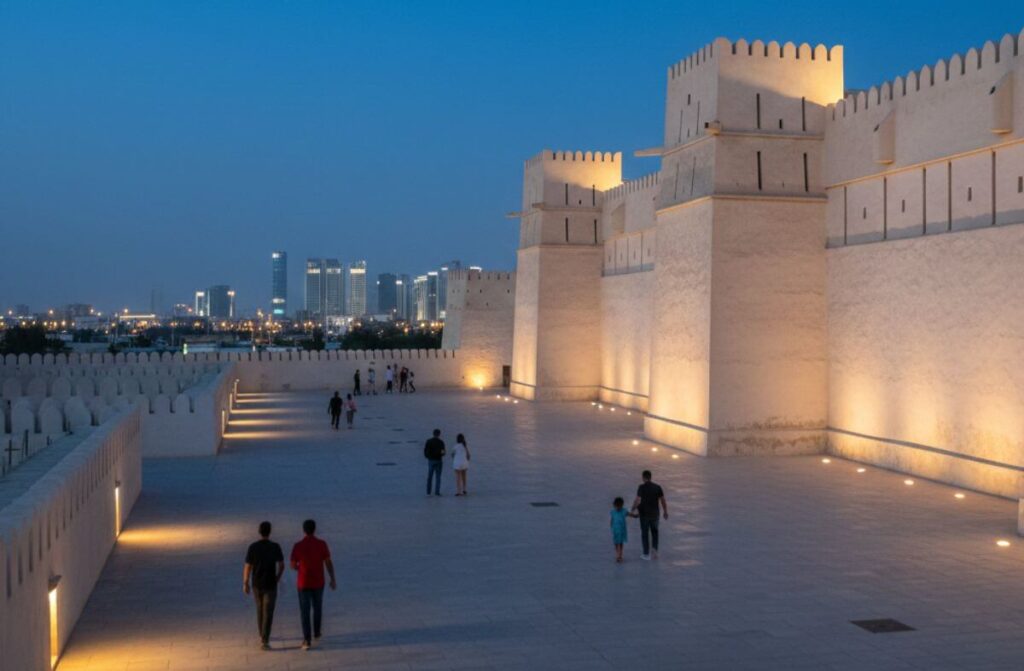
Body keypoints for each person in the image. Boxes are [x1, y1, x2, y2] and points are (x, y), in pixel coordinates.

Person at [290, 519, 337, 650]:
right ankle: (316, 632)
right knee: (317, 608)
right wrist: (332, 578)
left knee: (304, 611)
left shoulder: (298, 545)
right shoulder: (322, 544)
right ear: (314, 529)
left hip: (303, 583)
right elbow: (328, 562)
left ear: (303, 530)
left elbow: (293, 564)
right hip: (318, 582)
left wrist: (300, 567)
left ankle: (306, 640)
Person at [244, 521, 285, 650]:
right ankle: (264, 639)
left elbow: (247, 567)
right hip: (271, 584)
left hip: (256, 584)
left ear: (259, 531)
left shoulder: (253, 547)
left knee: (260, 608)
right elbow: (281, 565)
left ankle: (262, 634)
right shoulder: (275, 546)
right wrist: (277, 578)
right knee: (268, 611)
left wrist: (245, 583)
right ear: (270, 531)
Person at [631, 470, 668, 560]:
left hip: (644, 514)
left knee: (645, 533)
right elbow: (663, 500)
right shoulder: (657, 487)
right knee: (655, 532)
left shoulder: (641, 487)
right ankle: (654, 551)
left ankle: (646, 554)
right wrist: (665, 511)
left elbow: (638, 500)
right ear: (650, 477)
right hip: (655, 514)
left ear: (644, 477)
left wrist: (632, 508)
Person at [609, 497, 637, 563]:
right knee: (616, 542)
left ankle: (620, 555)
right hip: (615, 530)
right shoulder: (612, 512)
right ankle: (617, 554)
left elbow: (629, 514)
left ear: (622, 505)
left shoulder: (624, 511)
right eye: (617, 506)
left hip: (622, 530)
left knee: (621, 542)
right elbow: (612, 519)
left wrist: (635, 516)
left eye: (620, 506)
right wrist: (611, 526)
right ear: (614, 505)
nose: (618, 508)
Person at [424, 428, 445, 496]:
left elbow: (425, 451)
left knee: (430, 476)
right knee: (438, 477)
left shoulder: (429, 441)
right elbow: (443, 452)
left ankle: (428, 492)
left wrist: (428, 457)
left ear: (433, 434)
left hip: (431, 460)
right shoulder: (441, 442)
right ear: (439, 434)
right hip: (439, 460)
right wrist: (441, 455)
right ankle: (437, 492)